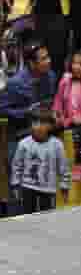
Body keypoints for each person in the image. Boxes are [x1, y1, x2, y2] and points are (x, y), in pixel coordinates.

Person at [0, 40, 57, 168]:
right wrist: (26, 112)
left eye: (48, 56)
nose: (49, 61)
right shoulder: (15, 83)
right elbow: (1, 110)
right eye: (44, 59)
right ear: (31, 63)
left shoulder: (51, 77)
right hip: (20, 138)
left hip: (44, 139)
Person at [10, 107, 70, 214]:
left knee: (47, 217)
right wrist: (15, 184)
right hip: (27, 187)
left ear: (50, 125)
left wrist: (64, 186)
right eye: (35, 122)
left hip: (48, 189)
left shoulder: (57, 145)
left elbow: (63, 167)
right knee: (27, 216)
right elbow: (16, 165)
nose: (38, 126)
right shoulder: (24, 143)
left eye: (43, 123)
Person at [52, 50, 81, 182]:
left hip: (78, 131)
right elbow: (57, 102)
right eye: (74, 63)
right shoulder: (65, 79)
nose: (76, 66)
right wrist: (57, 116)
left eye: (80, 63)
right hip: (64, 130)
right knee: (65, 171)